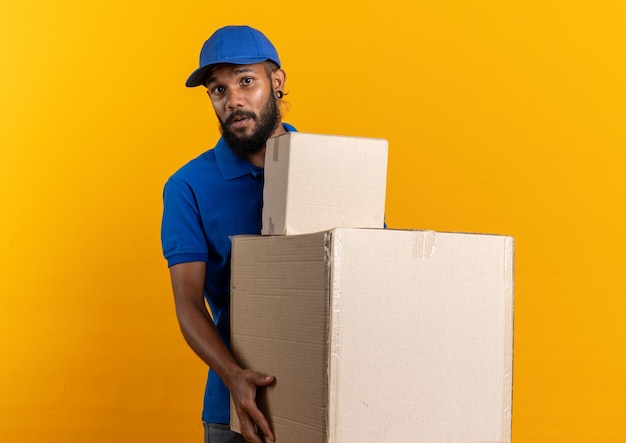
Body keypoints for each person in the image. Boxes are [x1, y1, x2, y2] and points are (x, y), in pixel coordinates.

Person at [161, 25, 295, 443]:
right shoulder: (188, 186)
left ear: (276, 82)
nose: (233, 100)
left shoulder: (329, 168)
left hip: (329, 393)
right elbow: (188, 303)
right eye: (217, 90)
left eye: (246, 81)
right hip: (235, 407)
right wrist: (234, 376)